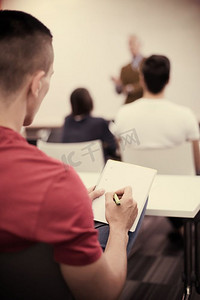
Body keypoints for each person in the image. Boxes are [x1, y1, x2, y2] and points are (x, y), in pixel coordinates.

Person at [0, 10, 143, 300]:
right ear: (36, 84)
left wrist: (72, 202)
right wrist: (118, 227)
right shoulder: (57, 182)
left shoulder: (64, 135)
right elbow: (101, 294)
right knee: (121, 219)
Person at [113, 54, 200, 242]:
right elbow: (196, 163)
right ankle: (186, 230)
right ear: (168, 80)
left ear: (141, 79)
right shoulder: (186, 116)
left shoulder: (123, 114)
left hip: (137, 188)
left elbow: (122, 151)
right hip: (179, 190)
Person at [61, 87, 118, 161]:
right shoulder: (99, 123)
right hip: (96, 169)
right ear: (89, 102)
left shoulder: (67, 121)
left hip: (73, 167)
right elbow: (113, 148)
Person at [111, 34, 144, 104]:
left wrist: (131, 88)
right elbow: (120, 91)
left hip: (144, 101)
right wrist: (118, 84)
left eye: (133, 43)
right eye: (129, 44)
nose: (131, 46)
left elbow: (150, 82)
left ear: (140, 44)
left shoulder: (148, 63)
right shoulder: (124, 69)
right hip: (130, 103)